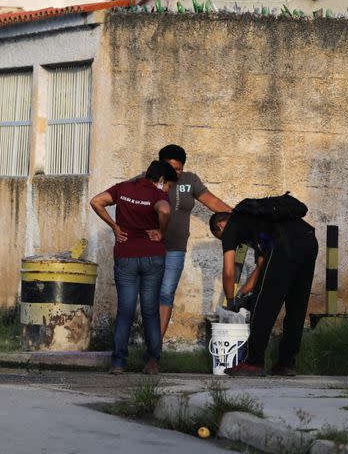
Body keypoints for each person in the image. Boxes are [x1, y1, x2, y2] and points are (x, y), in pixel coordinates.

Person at [89, 161, 177, 375]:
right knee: (150, 311)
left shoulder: (123, 188)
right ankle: (152, 362)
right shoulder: (158, 195)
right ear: (161, 180)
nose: (167, 190)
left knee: (125, 311)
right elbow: (165, 211)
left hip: (126, 256)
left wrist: (114, 226)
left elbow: (96, 201)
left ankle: (118, 363)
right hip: (152, 257)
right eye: (168, 185)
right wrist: (161, 232)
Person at [209, 210, 318, 376]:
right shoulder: (259, 223)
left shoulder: (231, 227)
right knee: (296, 305)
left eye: (221, 237)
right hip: (309, 239)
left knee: (263, 304)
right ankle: (286, 363)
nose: (231, 243)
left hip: (285, 243)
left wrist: (230, 300)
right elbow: (262, 266)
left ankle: (254, 362)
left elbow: (229, 273)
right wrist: (242, 295)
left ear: (221, 226)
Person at [154, 144, 231, 339]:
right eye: (171, 167)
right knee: (148, 295)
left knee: (166, 293)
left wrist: (241, 216)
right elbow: (128, 194)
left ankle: (155, 349)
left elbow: (212, 202)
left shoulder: (190, 180)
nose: (175, 172)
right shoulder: (149, 178)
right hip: (150, 247)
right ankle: (146, 342)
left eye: (179, 168)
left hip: (175, 249)